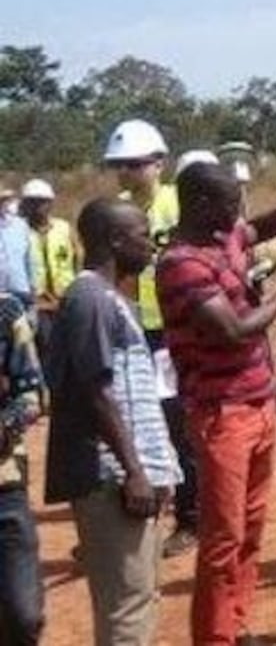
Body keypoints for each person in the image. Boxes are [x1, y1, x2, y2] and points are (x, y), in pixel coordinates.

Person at [156, 162, 276, 646]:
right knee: (223, 538)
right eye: (230, 204)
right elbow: (232, 331)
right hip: (221, 413)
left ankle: (235, 623)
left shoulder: (222, 237)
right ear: (202, 204)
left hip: (257, 402)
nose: (237, 216)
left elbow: (255, 228)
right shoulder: (183, 263)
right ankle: (214, 637)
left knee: (250, 528)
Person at [44, 197, 183, 646]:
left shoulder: (110, 299)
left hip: (124, 475)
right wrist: (136, 471)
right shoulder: (89, 298)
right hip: (110, 477)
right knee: (127, 608)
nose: (151, 246)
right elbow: (96, 392)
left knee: (138, 598)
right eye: (143, 235)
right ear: (115, 240)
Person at [103, 119, 200, 558]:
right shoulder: (116, 209)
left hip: (173, 328)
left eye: (135, 164)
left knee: (176, 420)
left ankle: (191, 516)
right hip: (131, 326)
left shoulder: (176, 204)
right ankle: (145, 511)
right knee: (135, 417)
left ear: (159, 163)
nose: (125, 172)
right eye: (119, 165)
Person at [0, 291, 45, 645]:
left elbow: (31, 395)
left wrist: (5, 425)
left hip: (5, 485)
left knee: (23, 614)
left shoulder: (5, 310)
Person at [20, 178, 80, 359]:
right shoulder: (19, 231)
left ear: (50, 203)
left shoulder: (64, 228)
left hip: (65, 298)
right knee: (46, 349)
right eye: (32, 201)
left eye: (42, 201)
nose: (38, 206)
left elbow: (78, 256)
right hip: (37, 302)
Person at [0, 188, 34, 310]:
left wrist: (32, 287)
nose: (3, 204)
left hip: (21, 292)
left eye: (5, 200)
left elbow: (28, 259)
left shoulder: (20, 225)